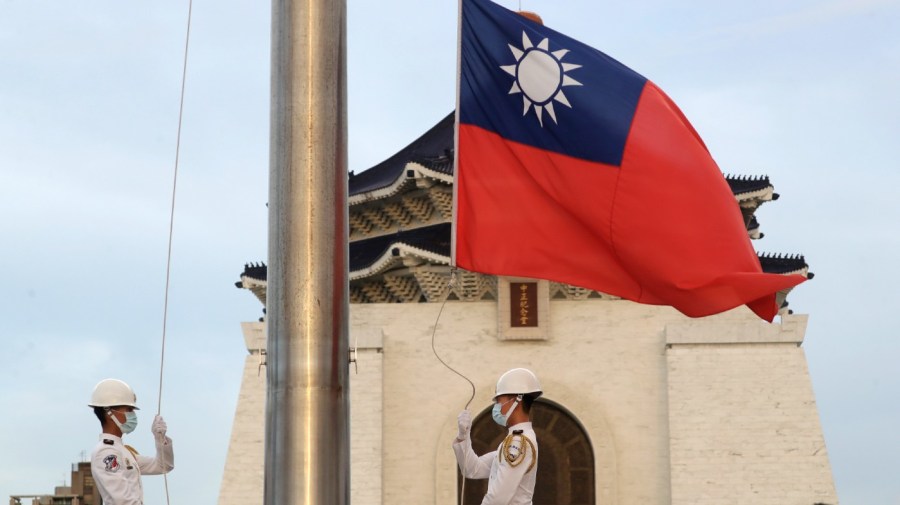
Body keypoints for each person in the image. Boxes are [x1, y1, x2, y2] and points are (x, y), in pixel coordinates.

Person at [453, 368, 542, 505]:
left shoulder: (519, 443)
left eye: (499, 401)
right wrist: (463, 436)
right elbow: (472, 469)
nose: (496, 407)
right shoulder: (513, 440)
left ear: (516, 400)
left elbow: (498, 498)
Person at [88, 378, 174, 504]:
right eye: (128, 409)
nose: (132, 414)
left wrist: (160, 438)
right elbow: (123, 501)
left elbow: (164, 466)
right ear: (109, 412)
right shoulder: (106, 452)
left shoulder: (122, 451)